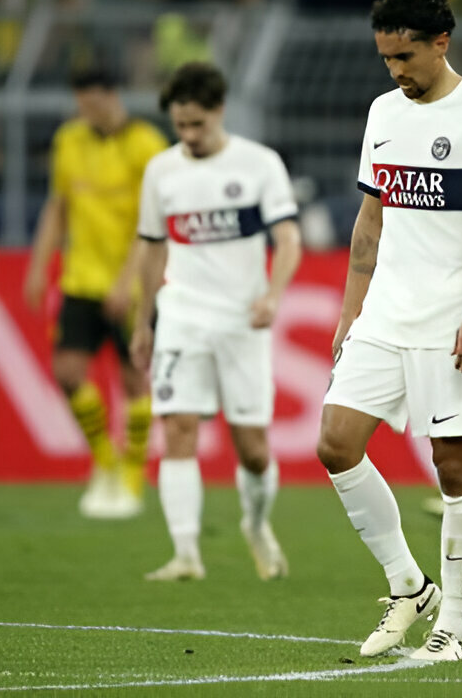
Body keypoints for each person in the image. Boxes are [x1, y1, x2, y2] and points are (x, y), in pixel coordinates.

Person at [315, 0, 462, 662]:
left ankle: (451, 630)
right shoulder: (383, 113)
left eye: (405, 56)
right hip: (385, 314)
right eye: (385, 59)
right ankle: (409, 585)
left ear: (442, 43)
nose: (396, 71)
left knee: (454, 467)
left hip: (452, 320)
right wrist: (350, 308)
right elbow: (370, 220)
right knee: (336, 442)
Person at [129, 62, 301, 582]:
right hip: (182, 314)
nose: (188, 136)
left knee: (251, 448)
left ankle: (256, 523)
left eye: (197, 125)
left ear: (219, 111)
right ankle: (186, 554)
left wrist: (273, 294)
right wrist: (145, 321)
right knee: (177, 428)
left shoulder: (258, 164)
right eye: (180, 126)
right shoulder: (161, 171)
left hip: (242, 321)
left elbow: (288, 239)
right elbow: (152, 249)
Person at [24, 68, 169, 520]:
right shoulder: (69, 140)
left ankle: (132, 473)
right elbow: (58, 206)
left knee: (132, 379)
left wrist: (128, 281)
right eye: (79, 104)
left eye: (91, 103)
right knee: (67, 372)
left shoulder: (147, 145)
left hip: (134, 281)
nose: (85, 112)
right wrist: (37, 265)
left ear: (112, 95)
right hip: (80, 278)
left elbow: (154, 224)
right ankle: (105, 459)